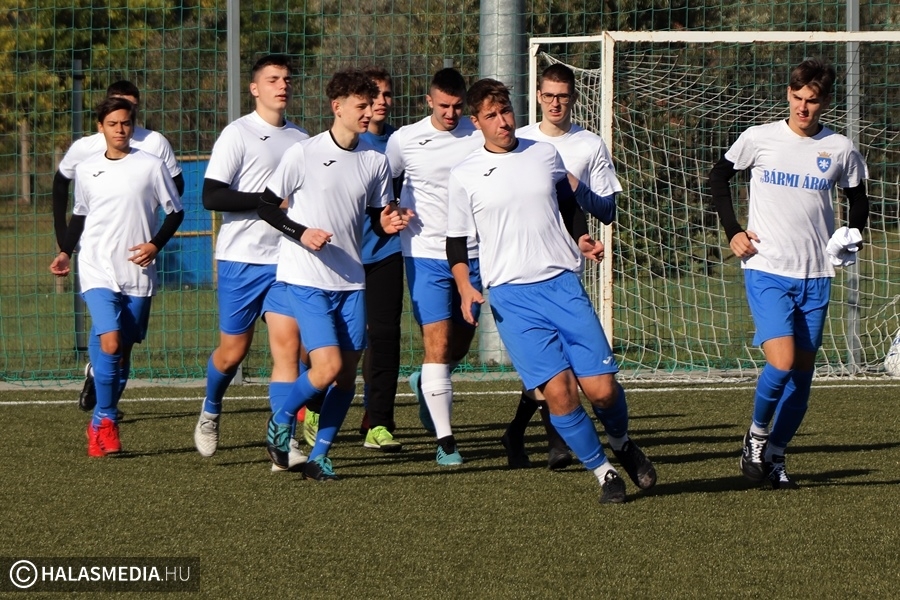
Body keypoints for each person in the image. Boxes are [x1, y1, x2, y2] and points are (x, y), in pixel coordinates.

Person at [446, 78, 656, 503]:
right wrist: (466, 286)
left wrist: (580, 237)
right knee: (559, 392)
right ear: (476, 122)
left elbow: (567, 204)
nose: (503, 121)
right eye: (491, 116)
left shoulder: (544, 152)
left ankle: (622, 443)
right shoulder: (464, 173)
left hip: (561, 284)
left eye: (506, 112)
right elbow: (455, 241)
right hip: (511, 296)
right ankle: (603, 472)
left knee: (601, 389)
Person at [708, 58, 869, 489]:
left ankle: (776, 456)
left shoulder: (839, 148)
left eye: (811, 101)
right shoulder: (759, 139)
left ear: (825, 102)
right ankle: (756, 437)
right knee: (780, 363)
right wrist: (733, 232)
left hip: (816, 274)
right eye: (797, 98)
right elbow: (718, 177)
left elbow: (858, 200)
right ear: (788, 95)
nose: (803, 108)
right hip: (767, 268)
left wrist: (851, 237)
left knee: (802, 376)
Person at [257, 69, 412, 481]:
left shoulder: (375, 162)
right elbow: (267, 207)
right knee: (323, 369)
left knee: (344, 378)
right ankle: (282, 418)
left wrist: (390, 224)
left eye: (371, 104)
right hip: (306, 278)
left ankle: (320, 456)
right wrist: (301, 232)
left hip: (351, 281)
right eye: (360, 106)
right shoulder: (303, 154)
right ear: (336, 106)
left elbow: (379, 219)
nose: (368, 113)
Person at [191, 54, 311, 472]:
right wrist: (266, 203)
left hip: (286, 262)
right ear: (255, 88)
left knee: (288, 350)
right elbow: (212, 196)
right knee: (232, 352)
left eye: (287, 79)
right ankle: (210, 408)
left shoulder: (302, 139)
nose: (282, 85)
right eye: (273, 79)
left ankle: (283, 441)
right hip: (241, 260)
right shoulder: (236, 134)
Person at [49, 96, 184, 456]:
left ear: (133, 125)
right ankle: (106, 420)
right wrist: (65, 251)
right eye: (113, 124)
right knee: (109, 342)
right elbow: (80, 215)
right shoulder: (88, 168)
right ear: (101, 127)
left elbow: (175, 213)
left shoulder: (152, 165)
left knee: (122, 351)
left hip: (138, 271)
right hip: (95, 267)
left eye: (125, 123)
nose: (120, 130)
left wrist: (155, 245)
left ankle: (97, 422)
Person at [505, 63, 624, 470]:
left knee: (567, 367)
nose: (556, 102)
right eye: (549, 95)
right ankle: (554, 442)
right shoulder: (518, 141)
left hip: (566, 263)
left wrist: (575, 187)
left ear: (574, 98)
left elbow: (608, 209)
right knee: (551, 368)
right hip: (521, 269)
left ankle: (525, 434)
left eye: (563, 95)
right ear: (538, 97)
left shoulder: (589, 145)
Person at [302, 66, 405, 453]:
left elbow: (388, 207)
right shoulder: (324, 148)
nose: (379, 103)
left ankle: (378, 422)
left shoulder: (398, 145)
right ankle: (311, 406)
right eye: (371, 97)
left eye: (385, 95)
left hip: (383, 255)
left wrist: (393, 219)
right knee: (334, 348)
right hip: (336, 259)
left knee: (383, 337)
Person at [385, 68, 485, 466]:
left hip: (474, 253)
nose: (451, 113)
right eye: (443, 105)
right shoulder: (404, 140)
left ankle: (426, 381)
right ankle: (446, 442)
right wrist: (391, 210)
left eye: (458, 106)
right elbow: (385, 182)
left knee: (461, 342)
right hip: (424, 254)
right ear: (429, 101)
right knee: (437, 344)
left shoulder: (478, 135)